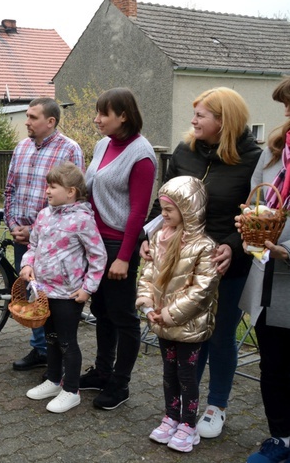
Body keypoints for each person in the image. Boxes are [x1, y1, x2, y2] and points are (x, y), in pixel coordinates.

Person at [142, 87, 261, 436]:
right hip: (180, 262)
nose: (192, 120)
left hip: (226, 264)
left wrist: (234, 246)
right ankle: (181, 409)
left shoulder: (251, 159)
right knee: (187, 337)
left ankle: (216, 406)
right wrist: (147, 239)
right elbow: (164, 199)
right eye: (194, 114)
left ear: (224, 121)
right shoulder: (185, 151)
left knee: (220, 335)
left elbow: (257, 214)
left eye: (201, 115)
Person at [81, 87, 157, 409]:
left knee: (123, 316)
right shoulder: (102, 144)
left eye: (103, 114)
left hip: (117, 245)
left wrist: (124, 257)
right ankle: (102, 371)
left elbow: (139, 212)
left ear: (123, 115)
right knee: (101, 312)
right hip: (95, 243)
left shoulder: (142, 154)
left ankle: (120, 384)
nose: (97, 119)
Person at [136, 176, 220, 453]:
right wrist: (148, 304)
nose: (164, 214)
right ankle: (171, 416)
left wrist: (170, 314)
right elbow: (148, 274)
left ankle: (188, 425)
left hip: (188, 325)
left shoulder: (204, 246)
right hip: (162, 321)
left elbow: (202, 289)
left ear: (189, 209)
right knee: (168, 373)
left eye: (169, 210)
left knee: (187, 375)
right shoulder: (159, 237)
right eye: (162, 208)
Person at [5, 97, 85, 373]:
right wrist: (14, 224)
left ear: (50, 121)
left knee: (52, 301)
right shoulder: (21, 147)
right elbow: (10, 190)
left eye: (32, 117)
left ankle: (58, 355)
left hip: (54, 243)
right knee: (32, 294)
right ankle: (40, 349)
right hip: (22, 239)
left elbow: (75, 199)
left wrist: (35, 230)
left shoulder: (69, 150)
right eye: (27, 116)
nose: (26, 121)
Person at [19, 162, 107, 413]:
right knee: (51, 338)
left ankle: (71, 390)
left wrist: (88, 288)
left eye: (53, 186)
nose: (47, 190)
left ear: (71, 192)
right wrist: (27, 265)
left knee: (67, 341)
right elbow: (32, 246)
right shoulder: (44, 215)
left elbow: (98, 256)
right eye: (47, 185)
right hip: (43, 291)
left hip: (69, 295)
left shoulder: (82, 220)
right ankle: (53, 379)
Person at [240, 78, 290, 463]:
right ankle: (281, 438)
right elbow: (256, 199)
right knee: (273, 362)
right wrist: (250, 223)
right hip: (270, 277)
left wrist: (287, 248)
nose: (286, 112)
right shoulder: (274, 152)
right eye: (285, 105)